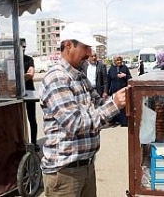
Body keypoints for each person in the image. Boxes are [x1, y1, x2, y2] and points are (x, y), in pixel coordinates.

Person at [38, 22, 127, 197]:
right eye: (85, 47)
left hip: (86, 167)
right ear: (68, 45)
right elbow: (76, 123)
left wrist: (121, 104)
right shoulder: (57, 78)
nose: (89, 53)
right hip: (65, 174)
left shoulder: (80, 77)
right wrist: (115, 104)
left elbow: (98, 109)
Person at [21, 38, 39, 152]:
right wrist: (24, 76)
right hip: (15, 94)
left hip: (29, 92)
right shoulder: (10, 60)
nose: (22, 49)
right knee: (18, 119)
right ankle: (21, 142)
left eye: (23, 47)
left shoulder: (29, 59)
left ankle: (34, 142)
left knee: (32, 118)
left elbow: (31, 74)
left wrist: (17, 78)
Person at [107, 56, 132, 126]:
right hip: (114, 91)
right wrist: (107, 91)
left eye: (120, 61)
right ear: (114, 62)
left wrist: (125, 75)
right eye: (117, 61)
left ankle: (124, 122)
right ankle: (114, 121)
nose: (119, 62)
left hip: (123, 91)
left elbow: (130, 78)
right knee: (114, 106)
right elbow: (108, 81)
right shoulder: (111, 69)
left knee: (123, 107)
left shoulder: (125, 68)